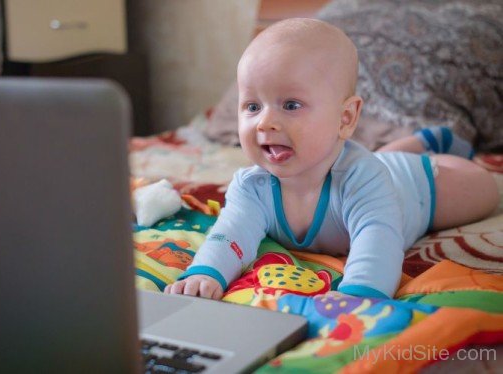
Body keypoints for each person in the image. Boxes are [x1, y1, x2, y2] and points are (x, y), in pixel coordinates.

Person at [164, 18, 499, 300]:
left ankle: (429, 143)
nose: (265, 122)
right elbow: (231, 234)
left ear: (345, 119)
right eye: (252, 106)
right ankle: (406, 145)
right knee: (379, 160)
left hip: (417, 185)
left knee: (484, 190)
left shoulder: (364, 181)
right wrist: (206, 273)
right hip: (375, 164)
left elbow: (378, 243)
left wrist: (360, 294)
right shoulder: (252, 186)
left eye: (291, 105)